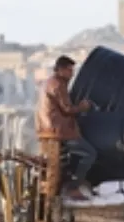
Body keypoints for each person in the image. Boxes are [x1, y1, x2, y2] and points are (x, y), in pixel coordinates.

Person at [36, 56, 95, 199]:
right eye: (69, 70)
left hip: (48, 128)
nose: (72, 74)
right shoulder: (58, 85)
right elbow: (67, 109)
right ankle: (74, 186)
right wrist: (82, 107)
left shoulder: (49, 83)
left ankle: (68, 181)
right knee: (90, 153)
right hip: (58, 131)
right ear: (61, 70)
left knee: (68, 159)